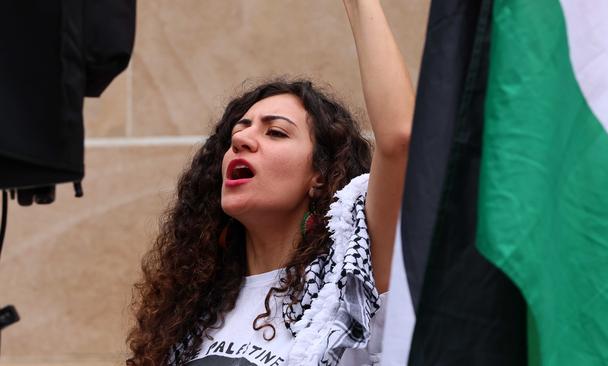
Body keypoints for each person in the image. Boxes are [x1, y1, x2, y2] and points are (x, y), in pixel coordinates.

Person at [126, 1, 414, 365]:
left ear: (321, 175)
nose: (241, 141)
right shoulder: (193, 312)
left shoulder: (353, 278)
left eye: (276, 132)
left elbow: (400, 139)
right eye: (239, 129)